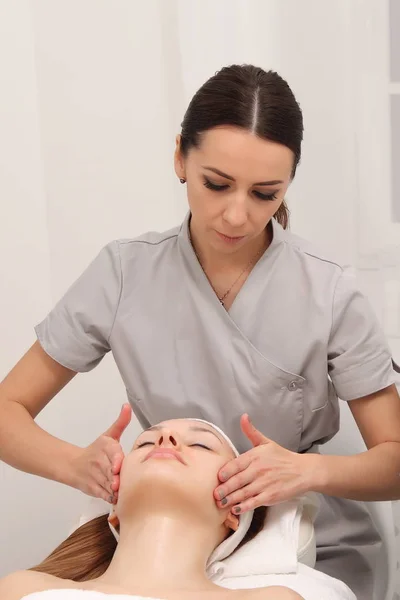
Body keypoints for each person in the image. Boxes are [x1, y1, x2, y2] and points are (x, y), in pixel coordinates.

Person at [0, 64, 399, 599]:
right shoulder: (124, 273)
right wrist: (76, 465)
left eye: (265, 194)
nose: (237, 215)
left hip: (302, 543)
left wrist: (307, 472)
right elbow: (8, 410)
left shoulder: (327, 291)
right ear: (180, 160)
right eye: (217, 184)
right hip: (163, 540)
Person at [0, 419, 304, 600]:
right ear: (113, 508)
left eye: (201, 445)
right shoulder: (24, 589)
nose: (164, 439)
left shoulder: (273, 598)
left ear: (233, 513)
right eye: (143, 443)